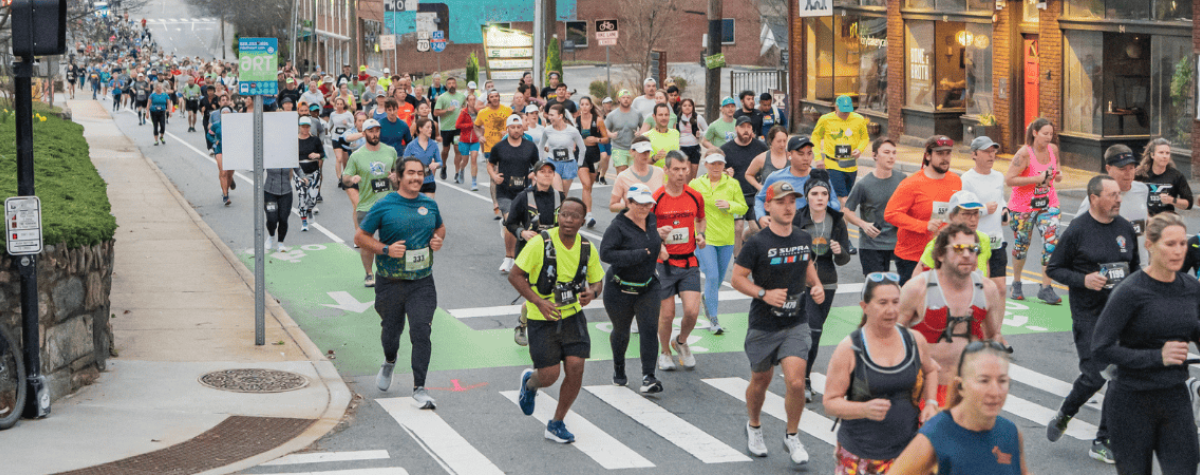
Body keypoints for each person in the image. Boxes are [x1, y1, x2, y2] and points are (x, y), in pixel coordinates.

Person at [1091, 212, 1200, 474]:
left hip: (1174, 397)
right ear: (1150, 245)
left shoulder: (1191, 287)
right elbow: (1101, 348)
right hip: (1131, 400)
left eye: (1182, 244)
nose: (1178, 251)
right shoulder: (1130, 291)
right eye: (1170, 244)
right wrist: (1157, 357)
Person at [1043, 174, 1138, 463]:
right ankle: (1066, 413)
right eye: (1111, 195)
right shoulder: (1078, 230)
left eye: (1119, 195)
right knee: (1095, 375)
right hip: (1089, 315)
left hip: (1120, 317)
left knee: (1117, 375)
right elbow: (1055, 269)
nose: (1118, 199)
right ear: (1094, 198)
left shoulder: (1125, 228)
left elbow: (1134, 270)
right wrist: (1084, 280)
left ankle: (1103, 438)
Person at [730, 180, 824, 465]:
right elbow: (737, 278)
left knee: (796, 382)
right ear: (768, 206)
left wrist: (816, 285)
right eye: (781, 201)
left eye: (791, 201)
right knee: (761, 380)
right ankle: (754, 426)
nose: (787, 206)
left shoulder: (802, 237)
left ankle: (792, 435)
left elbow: (807, 263)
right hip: (763, 324)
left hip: (796, 321)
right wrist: (764, 294)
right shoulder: (757, 243)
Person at [823, 272, 941, 474]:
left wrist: (931, 403)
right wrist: (864, 409)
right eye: (883, 303)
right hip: (861, 455)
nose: (891, 310)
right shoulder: (850, 349)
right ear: (865, 307)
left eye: (896, 302)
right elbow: (830, 402)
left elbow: (931, 370)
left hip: (908, 452)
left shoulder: (914, 340)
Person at [511, 198, 604, 444]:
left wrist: (592, 293)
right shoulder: (541, 243)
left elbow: (597, 281)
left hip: (572, 315)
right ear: (558, 216)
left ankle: (557, 422)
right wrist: (538, 302)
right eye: (564, 215)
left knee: (576, 367)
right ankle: (530, 384)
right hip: (542, 317)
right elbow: (515, 275)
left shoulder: (587, 247)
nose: (569, 220)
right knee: (550, 375)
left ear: (583, 221)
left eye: (574, 216)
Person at [356, 157, 446, 410]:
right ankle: (389, 360)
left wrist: (437, 240)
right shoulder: (384, 205)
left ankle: (420, 388)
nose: (416, 178)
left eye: (420, 173)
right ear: (398, 176)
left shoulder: (429, 204)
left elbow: (440, 228)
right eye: (411, 173)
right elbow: (361, 236)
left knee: (421, 331)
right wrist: (384, 249)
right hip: (390, 282)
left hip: (422, 282)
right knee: (391, 333)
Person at [897, 223, 1004, 408]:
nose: (966, 254)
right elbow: (891, 337)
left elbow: (992, 336)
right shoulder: (917, 289)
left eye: (973, 249)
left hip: (966, 390)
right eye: (958, 248)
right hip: (922, 390)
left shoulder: (987, 290)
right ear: (940, 254)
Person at [886, 341, 1030, 475]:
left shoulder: (1011, 433)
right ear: (961, 386)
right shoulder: (937, 434)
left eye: (1002, 381)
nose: (995, 392)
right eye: (983, 380)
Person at [601, 183, 665, 393]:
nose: (645, 208)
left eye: (648, 204)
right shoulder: (617, 227)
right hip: (619, 289)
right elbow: (606, 254)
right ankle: (619, 367)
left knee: (649, 329)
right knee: (621, 331)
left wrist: (661, 245)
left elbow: (653, 242)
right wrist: (637, 255)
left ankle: (649, 376)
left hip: (648, 286)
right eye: (639, 204)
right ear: (628, 203)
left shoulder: (652, 219)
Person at [796, 172, 852, 402]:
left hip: (827, 282)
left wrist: (839, 252)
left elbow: (844, 259)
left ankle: (804, 376)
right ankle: (801, 379)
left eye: (824, 194)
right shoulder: (797, 219)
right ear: (807, 196)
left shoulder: (836, 220)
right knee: (811, 329)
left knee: (815, 335)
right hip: (800, 284)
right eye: (815, 193)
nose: (820, 198)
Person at [884, 136, 963, 285]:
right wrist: (923, 226)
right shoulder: (911, 183)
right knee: (915, 304)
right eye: (940, 154)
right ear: (928, 156)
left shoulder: (956, 181)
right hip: (913, 257)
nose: (945, 158)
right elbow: (891, 214)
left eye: (948, 153)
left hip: (944, 256)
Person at [654, 152, 707, 371]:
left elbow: (701, 218)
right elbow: (646, 229)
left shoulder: (695, 196)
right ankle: (665, 351)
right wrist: (659, 245)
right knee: (667, 315)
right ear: (666, 170)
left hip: (688, 262)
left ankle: (681, 341)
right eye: (676, 169)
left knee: (692, 312)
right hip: (664, 264)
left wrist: (701, 234)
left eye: (684, 169)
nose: (681, 174)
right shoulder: (656, 198)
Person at [505, 160, 565, 346]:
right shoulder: (524, 197)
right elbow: (510, 222)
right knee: (536, 291)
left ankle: (546, 325)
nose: (547, 175)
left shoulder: (560, 197)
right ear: (535, 175)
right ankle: (523, 324)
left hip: (553, 252)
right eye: (543, 171)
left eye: (550, 172)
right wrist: (522, 232)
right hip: (529, 251)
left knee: (553, 291)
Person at [1004, 118, 1064, 304]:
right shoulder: (1023, 155)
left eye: (1051, 134)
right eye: (1045, 134)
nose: (1048, 138)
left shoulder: (1053, 150)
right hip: (1023, 206)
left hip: (1048, 204)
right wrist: (1036, 179)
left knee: (1052, 243)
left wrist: (1058, 175)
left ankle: (1046, 287)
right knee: (1022, 246)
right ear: (1034, 133)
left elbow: (1058, 171)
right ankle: (1016, 282)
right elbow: (1009, 179)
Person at [689, 151, 747, 335]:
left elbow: (743, 207)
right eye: (712, 164)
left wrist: (730, 205)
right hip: (705, 237)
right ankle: (714, 319)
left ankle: (708, 299)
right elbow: (688, 207)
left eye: (719, 164)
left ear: (723, 165)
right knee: (712, 276)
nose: (716, 167)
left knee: (718, 279)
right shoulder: (696, 184)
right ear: (705, 164)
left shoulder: (732, 184)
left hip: (726, 238)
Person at [343, 118, 399, 288]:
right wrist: (351, 178)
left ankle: (391, 272)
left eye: (377, 131)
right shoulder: (357, 156)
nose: (375, 134)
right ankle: (369, 273)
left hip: (388, 204)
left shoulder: (390, 151)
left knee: (392, 240)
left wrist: (396, 178)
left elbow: (398, 175)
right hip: (366, 206)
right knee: (367, 242)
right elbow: (344, 178)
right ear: (364, 133)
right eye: (371, 131)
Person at [845, 138, 906, 276]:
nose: (891, 156)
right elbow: (847, 210)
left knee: (900, 290)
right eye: (886, 152)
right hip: (871, 246)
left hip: (897, 244)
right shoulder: (864, 184)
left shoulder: (902, 179)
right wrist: (863, 224)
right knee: (876, 290)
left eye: (894, 153)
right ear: (874, 156)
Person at [754, 135, 842, 229]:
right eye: (801, 154)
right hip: (785, 229)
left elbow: (835, 204)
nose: (806, 158)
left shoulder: (820, 176)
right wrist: (761, 217)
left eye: (809, 153)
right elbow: (760, 199)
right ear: (789, 155)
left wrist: (821, 206)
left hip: (813, 229)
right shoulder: (775, 177)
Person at [492, 115, 541, 274]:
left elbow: (536, 166)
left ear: (522, 128)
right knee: (511, 221)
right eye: (512, 127)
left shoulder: (530, 147)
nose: (515, 130)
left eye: (518, 127)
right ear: (507, 129)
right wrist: (494, 176)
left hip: (524, 192)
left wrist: (534, 176)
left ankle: (518, 257)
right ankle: (509, 258)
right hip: (505, 192)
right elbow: (490, 164)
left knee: (520, 225)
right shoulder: (499, 147)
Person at [961, 136, 1009, 295]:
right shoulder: (966, 180)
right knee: (981, 289)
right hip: (977, 241)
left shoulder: (998, 176)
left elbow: (1000, 199)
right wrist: (983, 209)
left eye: (993, 151)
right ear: (974, 155)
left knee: (1000, 289)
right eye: (986, 151)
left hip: (997, 240)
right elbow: (962, 212)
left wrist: (1005, 211)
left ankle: (997, 321)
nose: (991, 155)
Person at [915, 191, 994, 278]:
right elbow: (917, 278)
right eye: (966, 214)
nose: (973, 219)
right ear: (952, 216)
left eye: (976, 213)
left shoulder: (984, 239)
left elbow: (985, 268)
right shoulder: (939, 243)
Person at [1079, 145, 1151, 240]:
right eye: (1122, 169)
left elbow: (1143, 217)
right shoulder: (1097, 199)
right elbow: (1077, 232)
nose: (1128, 173)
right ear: (1108, 168)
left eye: (1132, 168)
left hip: (1142, 254)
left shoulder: (1142, 189)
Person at [721, 115, 770, 252]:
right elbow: (716, 172)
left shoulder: (760, 147)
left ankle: (744, 238)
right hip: (736, 196)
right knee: (738, 227)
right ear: (736, 128)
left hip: (755, 195)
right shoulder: (726, 149)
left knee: (756, 228)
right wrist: (724, 173)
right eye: (743, 127)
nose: (746, 130)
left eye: (749, 127)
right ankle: (737, 258)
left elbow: (768, 165)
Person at [812, 95, 870, 209]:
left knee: (846, 200)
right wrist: (818, 157)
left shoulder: (858, 119)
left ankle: (838, 224)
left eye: (848, 111)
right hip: (833, 165)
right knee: (843, 199)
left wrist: (859, 149)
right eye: (843, 111)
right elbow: (815, 138)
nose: (845, 114)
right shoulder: (825, 119)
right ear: (836, 107)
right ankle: (843, 227)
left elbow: (865, 138)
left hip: (851, 165)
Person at [1135, 137, 1194, 216]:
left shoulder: (1176, 176)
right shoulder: (1140, 174)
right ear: (1152, 155)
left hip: (1167, 221)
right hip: (1145, 220)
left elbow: (1188, 204)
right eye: (1161, 152)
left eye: (1167, 153)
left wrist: (1171, 200)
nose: (1165, 156)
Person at [540, 103, 588, 200]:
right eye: (549, 115)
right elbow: (541, 146)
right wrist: (541, 162)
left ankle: (559, 213)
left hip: (569, 164)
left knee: (563, 196)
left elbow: (582, 148)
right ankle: (554, 211)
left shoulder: (573, 131)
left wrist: (579, 164)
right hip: (553, 163)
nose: (549, 117)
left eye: (552, 115)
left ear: (560, 116)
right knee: (558, 192)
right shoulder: (547, 130)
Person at [610, 137, 665, 213]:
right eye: (642, 151)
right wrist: (627, 205)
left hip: (655, 221)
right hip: (632, 222)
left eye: (648, 151)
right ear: (632, 152)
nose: (645, 154)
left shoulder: (660, 172)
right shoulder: (623, 176)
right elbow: (612, 206)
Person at [475, 89, 514, 192]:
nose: (495, 98)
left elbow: (515, 126)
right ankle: (496, 204)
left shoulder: (508, 110)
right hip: (490, 147)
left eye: (496, 96)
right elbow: (476, 126)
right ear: (488, 99)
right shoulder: (483, 112)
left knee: (506, 174)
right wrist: (480, 136)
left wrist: (508, 131)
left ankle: (504, 196)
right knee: (495, 175)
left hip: (507, 146)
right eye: (492, 97)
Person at [264, 159, 304, 253]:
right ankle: (271, 235)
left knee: (283, 218)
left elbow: (297, 168)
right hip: (270, 193)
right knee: (272, 218)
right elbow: (258, 168)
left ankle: (280, 243)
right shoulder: (269, 156)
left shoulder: (288, 155)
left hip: (286, 193)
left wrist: (303, 177)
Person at [604, 89, 644, 174]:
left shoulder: (637, 114)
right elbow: (604, 129)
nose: (626, 99)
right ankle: (621, 187)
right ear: (619, 99)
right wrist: (611, 134)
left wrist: (640, 133)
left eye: (628, 98)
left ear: (631, 99)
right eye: (623, 97)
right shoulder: (612, 115)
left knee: (633, 173)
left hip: (633, 148)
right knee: (622, 170)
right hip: (618, 148)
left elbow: (644, 127)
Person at [744, 127, 791, 200]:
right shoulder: (762, 158)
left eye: (784, 141)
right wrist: (759, 187)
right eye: (779, 141)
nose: (782, 144)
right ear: (771, 141)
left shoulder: (791, 157)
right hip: (766, 201)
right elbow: (748, 174)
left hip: (786, 201)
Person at [296, 116, 325, 231]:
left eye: (307, 126)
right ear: (299, 127)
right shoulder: (295, 140)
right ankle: (304, 222)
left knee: (313, 198)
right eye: (303, 126)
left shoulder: (315, 140)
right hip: (300, 171)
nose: (305, 129)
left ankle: (309, 210)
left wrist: (317, 155)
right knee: (302, 196)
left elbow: (322, 153)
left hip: (314, 171)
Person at [433, 76, 465, 182]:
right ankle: (444, 166)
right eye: (449, 83)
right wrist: (447, 110)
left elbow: (465, 108)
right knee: (446, 150)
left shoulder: (461, 96)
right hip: (446, 129)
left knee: (457, 150)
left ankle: (457, 172)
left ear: (456, 84)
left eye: (453, 83)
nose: (452, 85)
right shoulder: (442, 97)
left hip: (457, 128)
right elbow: (435, 112)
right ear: (446, 86)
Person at [404, 117, 442, 198]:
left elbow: (440, 162)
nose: (430, 129)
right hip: (415, 182)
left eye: (431, 127)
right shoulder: (411, 145)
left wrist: (436, 164)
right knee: (416, 209)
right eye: (428, 127)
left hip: (429, 181)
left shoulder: (433, 144)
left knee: (428, 208)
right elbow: (404, 163)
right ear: (420, 129)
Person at [210, 104, 234, 206]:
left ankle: (227, 187)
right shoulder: (216, 125)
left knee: (229, 173)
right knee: (223, 172)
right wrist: (214, 141)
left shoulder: (235, 125)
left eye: (227, 114)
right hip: (219, 150)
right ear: (221, 115)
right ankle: (225, 196)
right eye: (224, 114)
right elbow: (209, 134)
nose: (225, 115)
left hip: (231, 150)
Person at [645, 103, 681, 168]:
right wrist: (655, 158)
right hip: (654, 177)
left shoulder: (675, 133)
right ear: (654, 116)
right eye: (660, 115)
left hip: (673, 177)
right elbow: (640, 164)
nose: (664, 118)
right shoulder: (646, 136)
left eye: (666, 115)